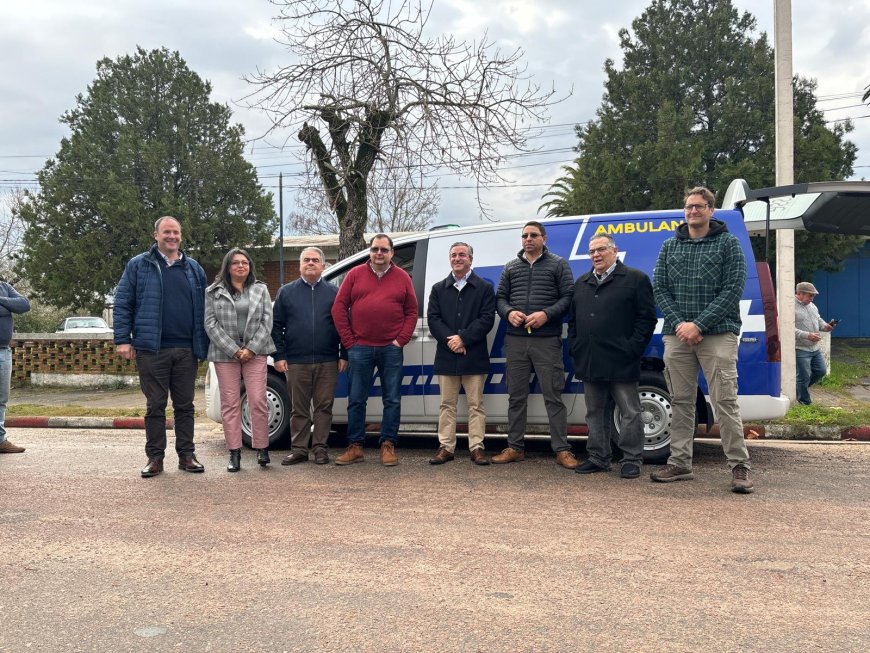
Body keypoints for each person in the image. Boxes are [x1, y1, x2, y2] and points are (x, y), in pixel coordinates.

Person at [650, 187, 753, 493]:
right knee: (681, 401)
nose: (693, 211)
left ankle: (739, 467)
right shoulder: (669, 246)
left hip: (718, 334)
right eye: (689, 207)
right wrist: (682, 324)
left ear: (711, 210)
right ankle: (680, 464)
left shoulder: (728, 244)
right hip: (677, 335)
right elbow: (660, 289)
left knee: (725, 402)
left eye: (699, 206)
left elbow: (733, 289)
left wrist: (699, 324)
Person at [114, 216, 209, 478]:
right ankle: (155, 458)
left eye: (176, 232)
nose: (172, 236)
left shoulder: (193, 268)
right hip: (150, 349)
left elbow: (205, 308)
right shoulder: (138, 266)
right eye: (166, 232)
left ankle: (187, 455)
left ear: (181, 236)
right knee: (155, 405)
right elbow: (123, 303)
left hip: (187, 350)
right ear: (155, 235)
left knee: (185, 405)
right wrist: (123, 339)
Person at [568, 234, 656, 479]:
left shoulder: (635, 279)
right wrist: (576, 346)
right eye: (592, 251)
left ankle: (631, 459)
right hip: (590, 358)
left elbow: (647, 319)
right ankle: (598, 457)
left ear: (614, 250)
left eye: (601, 249)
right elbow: (573, 320)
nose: (596, 255)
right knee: (594, 412)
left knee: (630, 412)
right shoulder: (582, 282)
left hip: (622, 359)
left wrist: (632, 348)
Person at [493, 221, 577, 469]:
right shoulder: (510, 267)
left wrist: (546, 314)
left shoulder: (558, 264)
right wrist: (508, 313)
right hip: (516, 340)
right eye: (525, 236)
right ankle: (515, 447)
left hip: (547, 341)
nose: (528, 239)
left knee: (553, 396)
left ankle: (562, 449)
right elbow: (500, 298)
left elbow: (569, 297)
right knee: (516, 397)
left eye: (533, 235)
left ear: (544, 238)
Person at [331, 234, 418, 466]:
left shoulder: (402, 277)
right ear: (370, 252)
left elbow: (411, 311)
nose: (379, 253)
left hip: (391, 348)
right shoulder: (354, 275)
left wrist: (401, 340)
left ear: (392, 253)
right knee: (356, 399)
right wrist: (349, 342)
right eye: (375, 249)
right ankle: (355, 446)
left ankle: (388, 445)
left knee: (392, 399)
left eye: (384, 250)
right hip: (359, 348)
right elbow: (339, 308)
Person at [272, 247, 347, 466]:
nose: (311, 263)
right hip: (296, 361)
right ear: (300, 265)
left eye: (315, 260)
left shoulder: (335, 293)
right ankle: (299, 449)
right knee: (299, 409)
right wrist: (279, 355)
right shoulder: (286, 292)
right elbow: (276, 327)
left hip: (328, 360)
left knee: (324, 407)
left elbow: (344, 326)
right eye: (307, 260)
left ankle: (320, 449)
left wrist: (345, 354)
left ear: (324, 265)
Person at [205, 248, 276, 472]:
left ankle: (262, 449)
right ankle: (234, 453)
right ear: (227, 266)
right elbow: (210, 324)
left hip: (256, 352)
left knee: (257, 400)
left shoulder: (260, 289)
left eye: (245, 263)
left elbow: (267, 322)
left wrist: (251, 349)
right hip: (225, 354)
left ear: (250, 266)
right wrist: (235, 350)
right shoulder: (213, 291)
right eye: (236, 263)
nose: (241, 266)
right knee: (230, 404)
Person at [426, 242, 496, 466]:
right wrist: (452, 341)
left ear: (470, 259)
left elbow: (487, 319)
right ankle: (446, 447)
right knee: (447, 404)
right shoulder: (438, 288)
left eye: (462, 255)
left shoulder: (484, 288)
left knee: (476, 404)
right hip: (447, 356)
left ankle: (476, 447)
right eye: (454, 255)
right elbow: (433, 319)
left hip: (473, 355)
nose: (457, 258)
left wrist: (463, 338)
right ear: (450, 259)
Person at [0, 280, 30, 454]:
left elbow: (24, 305)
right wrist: (7, 308)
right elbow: (14, 307)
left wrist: (1, 299)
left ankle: (0, 440)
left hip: (3, 351)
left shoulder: (4, 286)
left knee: (1, 399)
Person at [794, 281, 836, 405]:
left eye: (813, 296)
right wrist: (807, 335)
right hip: (800, 347)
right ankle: (805, 402)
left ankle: (798, 390)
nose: (812, 298)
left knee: (821, 371)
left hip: (814, 347)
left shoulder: (812, 306)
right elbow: (787, 327)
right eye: (809, 295)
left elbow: (818, 319)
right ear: (799, 293)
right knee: (804, 376)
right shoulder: (789, 306)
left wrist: (826, 326)